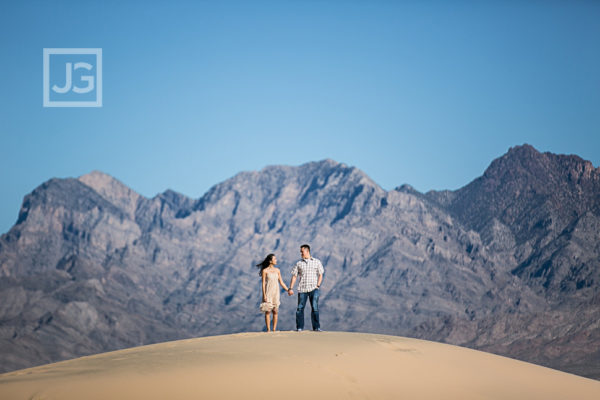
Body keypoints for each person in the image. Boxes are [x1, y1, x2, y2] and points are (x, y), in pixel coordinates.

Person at [287, 244, 324, 332]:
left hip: (313, 289)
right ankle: (299, 327)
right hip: (302, 289)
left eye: (302, 251)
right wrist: (290, 288)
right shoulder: (299, 263)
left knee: (315, 308)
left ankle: (316, 327)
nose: (301, 253)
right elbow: (294, 276)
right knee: (300, 308)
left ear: (307, 251)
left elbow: (320, 274)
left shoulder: (317, 262)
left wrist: (317, 286)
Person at [257, 253, 290, 332]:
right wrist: (264, 295)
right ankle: (268, 329)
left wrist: (288, 290)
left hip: (276, 293)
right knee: (268, 311)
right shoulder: (265, 271)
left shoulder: (277, 270)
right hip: (268, 292)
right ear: (270, 261)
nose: (276, 260)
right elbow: (263, 284)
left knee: (275, 311)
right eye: (274, 259)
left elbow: (281, 282)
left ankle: (274, 329)